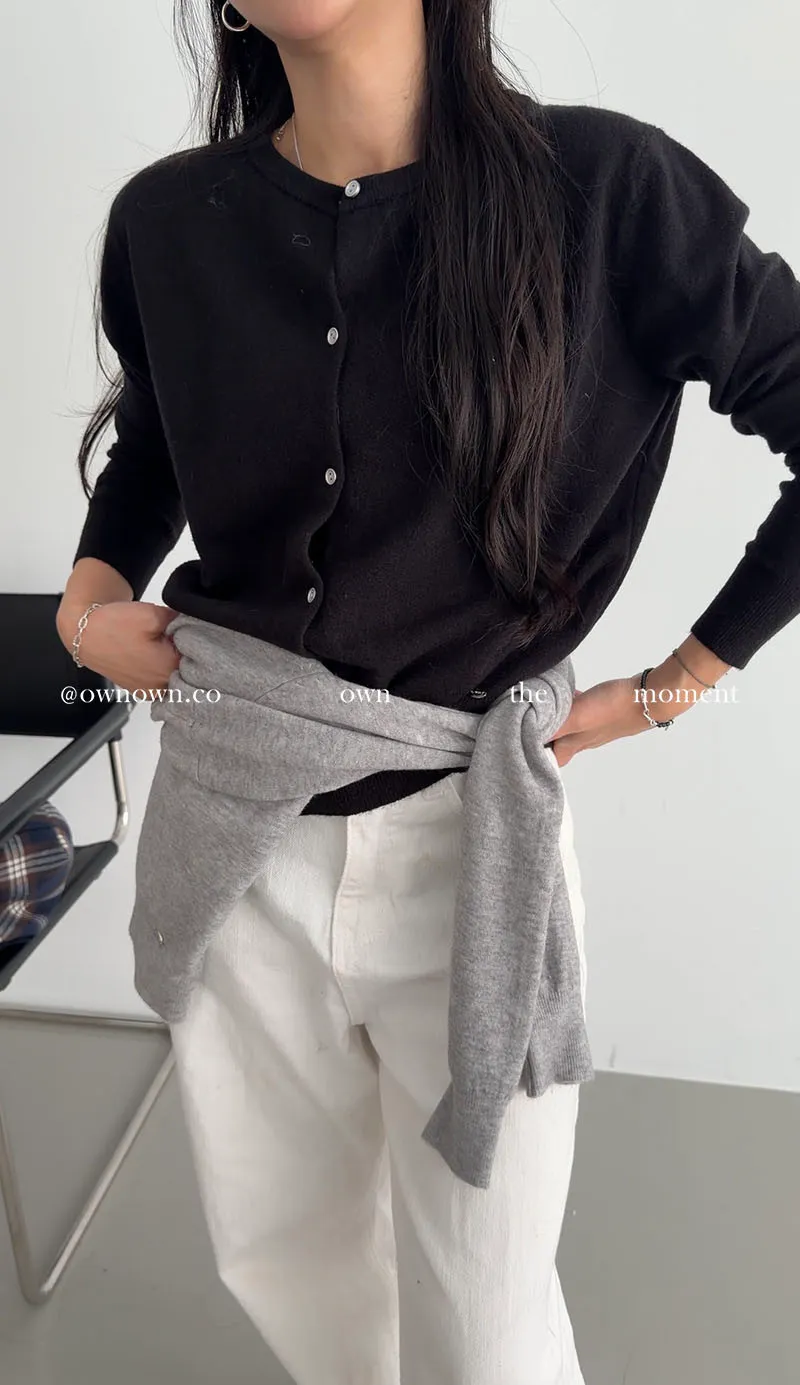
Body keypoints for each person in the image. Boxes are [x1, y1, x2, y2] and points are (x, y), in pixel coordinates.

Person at [56, 2, 800, 1382]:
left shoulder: (611, 190)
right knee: (295, 1275)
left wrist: (678, 687)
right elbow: (156, 440)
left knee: (487, 1320)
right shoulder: (170, 219)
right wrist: (89, 597)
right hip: (230, 821)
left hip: (475, 841)